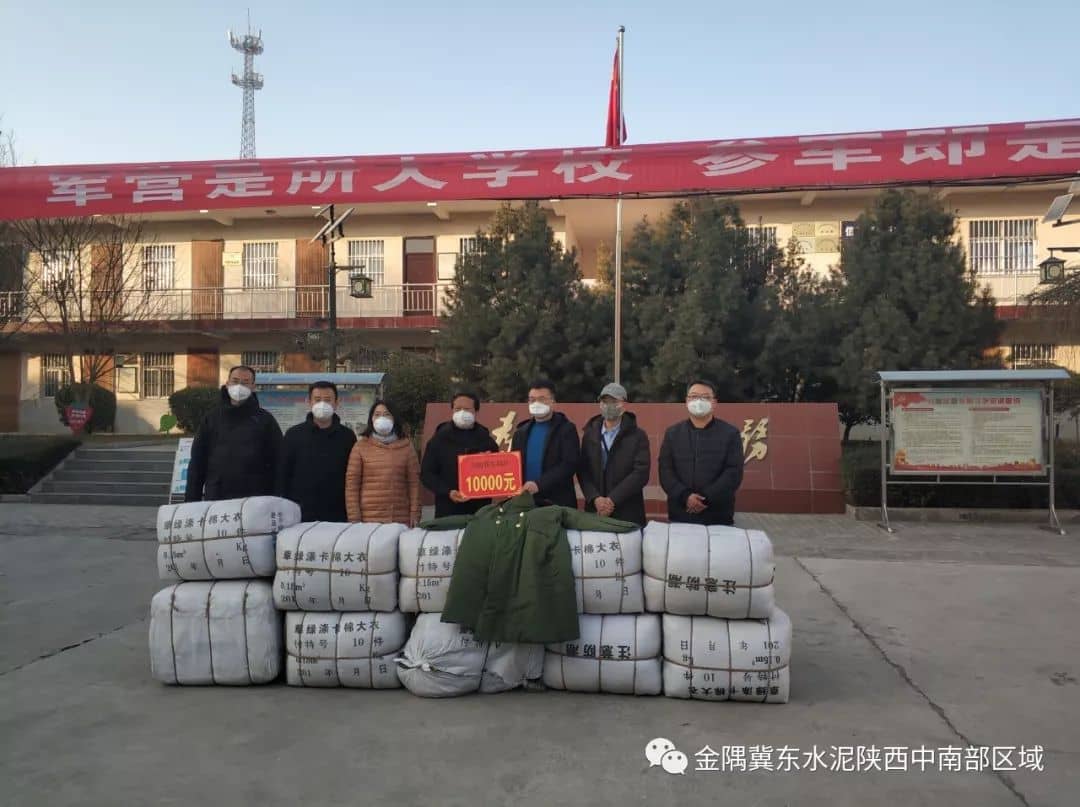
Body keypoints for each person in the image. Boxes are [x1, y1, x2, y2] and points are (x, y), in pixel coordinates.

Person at [185, 365, 282, 502]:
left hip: (255, 499)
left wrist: (276, 499)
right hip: (217, 497)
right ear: (227, 384)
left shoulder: (265, 420)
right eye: (235, 381)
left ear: (253, 387)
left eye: (245, 382)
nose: (239, 386)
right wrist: (191, 500)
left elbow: (278, 462)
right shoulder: (212, 418)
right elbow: (197, 462)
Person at [658, 379, 744, 526]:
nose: (699, 401)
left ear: (714, 403)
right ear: (686, 401)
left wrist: (706, 498)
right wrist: (685, 496)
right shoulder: (673, 433)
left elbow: (733, 472)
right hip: (680, 512)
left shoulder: (730, 433)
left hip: (718, 515)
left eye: (705, 397)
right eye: (694, 396)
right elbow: (665, 469)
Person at [275, 381, 357, 521]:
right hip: (300, 515)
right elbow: (283, 474)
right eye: (317, 400)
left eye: (328, 400)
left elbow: (352, 476)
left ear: (336, 403)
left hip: (337, 514)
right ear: (309, 402)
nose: (322, 404)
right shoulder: (294, 434)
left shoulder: (347, 436)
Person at [577, 382, 651, 526]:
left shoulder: (638, 436)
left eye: (614, 401)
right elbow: (583, 470)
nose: (609, 405)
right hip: (595, 511)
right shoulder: (590, 434)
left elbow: (640, 473)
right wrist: (595, 498)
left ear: (624, 404)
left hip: (627, 512)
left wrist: (612, 500)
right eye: (605, 401)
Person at [420, 390, 499, 517]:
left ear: (476, 411)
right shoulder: (439, 439)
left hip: (480, 511)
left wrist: (489, 463)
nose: (462, 412)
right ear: (452, 410)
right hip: (447, 510)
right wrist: (447, 492)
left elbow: (498, 473)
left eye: (467, 409)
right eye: (458, 409)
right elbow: (427, 474)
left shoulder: (486, 440)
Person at [345, 399, 421, 526]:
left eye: (387, 414)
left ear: (394, 418)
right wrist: (354, 518)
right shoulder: (360, 447)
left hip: (400, 519)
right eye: (377, 415)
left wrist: (415, 512)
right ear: (371, 419)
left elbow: (414, 483)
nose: (382, 418)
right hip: (368, 520)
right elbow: (352, 486)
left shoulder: (407, 447)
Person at [510, 379, 580, 508]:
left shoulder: (566, 429)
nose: (536, 403)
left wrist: (539, 484)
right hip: (526, 503)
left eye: (542, 399)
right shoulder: (520, 432)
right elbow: (512, 465)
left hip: (557, 503)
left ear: (553, 402)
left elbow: (569, 465)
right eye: (532, 399)